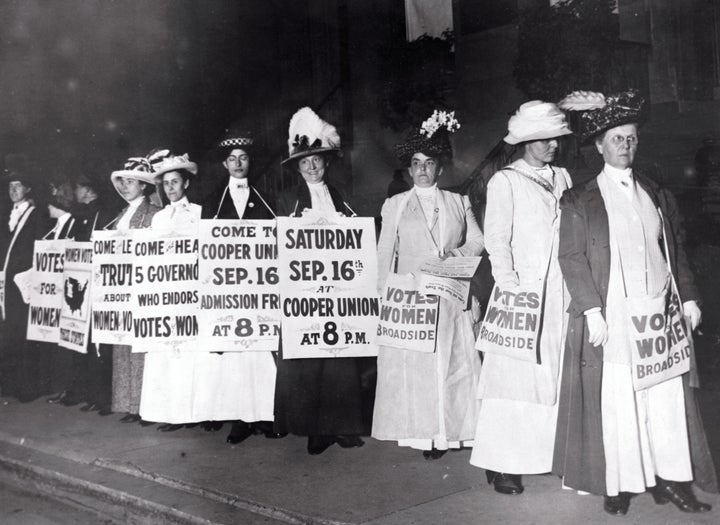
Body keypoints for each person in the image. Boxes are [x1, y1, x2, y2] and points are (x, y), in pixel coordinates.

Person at [553, 89, 717, 516]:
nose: (626, 146)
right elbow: (571, 258)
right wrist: (592, 309)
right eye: (617, 139)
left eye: (631, 138)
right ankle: (620, 484)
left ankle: (672, 481)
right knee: (622, 400)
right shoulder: (579, 198)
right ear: (599, 145)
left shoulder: (655, 192)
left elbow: (673, 248)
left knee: (665, 398)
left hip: (658, 315)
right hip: (617, 316)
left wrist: (691, 297)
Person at [470, 101, 573, 494]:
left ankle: (545, 454)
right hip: (520, 295)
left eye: (556, 139)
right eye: (544, 139)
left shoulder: (562, 177)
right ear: (525, 141)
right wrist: (510, 286)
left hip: (559, 293)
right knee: (512, 379)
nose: (552, 146)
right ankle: (501, 463)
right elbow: (496, 240)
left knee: (550, 374)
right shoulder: (505, 181)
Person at [373, 110, 483, 460]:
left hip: (450, 296)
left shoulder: (458, 201)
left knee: (451, 365)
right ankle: (425, 435)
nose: (423, 169)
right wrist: (383, 295)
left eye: (429, 163)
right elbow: (384, 252)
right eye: (416, 164)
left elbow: (479, 241)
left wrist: (456, 252)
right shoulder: (395, 205)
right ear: (409, 170)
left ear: (439, 167)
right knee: (419, 368)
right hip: (412, 299)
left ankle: (451, 431)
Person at [274, 106, 364, 455]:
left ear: (327, 162)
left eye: (317, 160)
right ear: (297, 166)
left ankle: (341, 426)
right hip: (305, 291)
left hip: (340, 291)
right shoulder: (286, 201)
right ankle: (314, 429)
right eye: (305, 161)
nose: (312, 166)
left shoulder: (344, 198)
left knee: (341, 358)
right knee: (309, 359)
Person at [199, 129, 280, 443]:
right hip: (229, 292)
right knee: (235, 356)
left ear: (250, 161)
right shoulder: (213, 202)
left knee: (261, 352)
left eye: (243, 158)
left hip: (259, 289)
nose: (237, 163)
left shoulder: (265, 198)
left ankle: (265, 417)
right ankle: (241, 420)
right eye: (232, 159)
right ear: (224, 164)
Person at [139, 152, 203, 430]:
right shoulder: (159, 218)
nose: (171, 188)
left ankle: (190, 413)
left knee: (188, 354)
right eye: (166, 184)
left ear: (185, 184)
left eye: (175, 182)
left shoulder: (199, 213)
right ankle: (167, 412)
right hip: (163, 294)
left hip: (189, 293)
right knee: (165, 353)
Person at [107, 153, 161, 423]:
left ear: (143, 186)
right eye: (123, 181)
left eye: (131, 181)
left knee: (142, 348)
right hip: (121, 288)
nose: (125, 185)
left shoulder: (152, 214)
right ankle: (129, 403)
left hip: (142, 286)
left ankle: (144, 405)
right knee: (124, 345)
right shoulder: (120, 215)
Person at [0, 162, 49, 401]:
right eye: (10, 186)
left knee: (25, 333)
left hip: (24, 283)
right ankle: (8, 383)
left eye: (18, 186)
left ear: (27, 189)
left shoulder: (36, 213)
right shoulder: (6, 213)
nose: (13, 191)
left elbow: (40, 247)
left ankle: (28, 387)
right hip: (6, 283)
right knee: (8, 333)